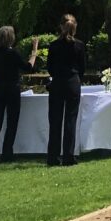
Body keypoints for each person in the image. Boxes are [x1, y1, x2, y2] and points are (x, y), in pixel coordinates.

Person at [0, 26, 38, 163]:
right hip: (11, 90)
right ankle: (7, 153)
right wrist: (34, 52)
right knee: (11, 122)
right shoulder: (13, 54)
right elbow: (28, 67)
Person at [45, 13, 86, 166]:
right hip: (72, 82)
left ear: (61, 27)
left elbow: (50, 68)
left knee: (55, 120)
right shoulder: (79, 45)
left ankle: (53, 156)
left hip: (57, 83)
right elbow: (82, 68)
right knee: (70, 119)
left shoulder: (54, 45)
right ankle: (69, 155)